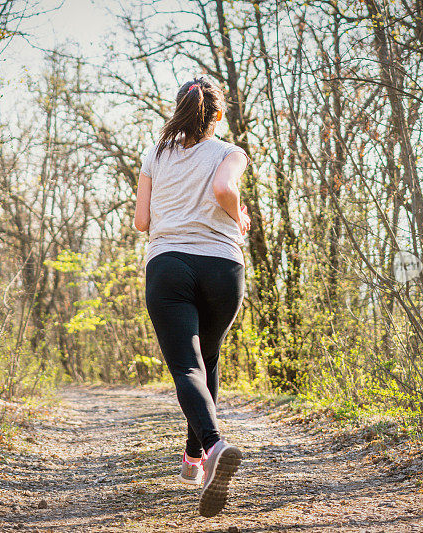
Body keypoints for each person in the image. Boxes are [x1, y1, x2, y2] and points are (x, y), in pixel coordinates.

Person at [134, 76, 250, 518]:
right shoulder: (229, 152)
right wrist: (238, 215)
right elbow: (224, 189)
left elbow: (142, 221)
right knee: (209, 360)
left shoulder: (155, 153)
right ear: (218, 115)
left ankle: (213, 446)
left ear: (179, 110)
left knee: (187, 365)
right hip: (223, 265)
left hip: (168, 266)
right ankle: (196, 459)